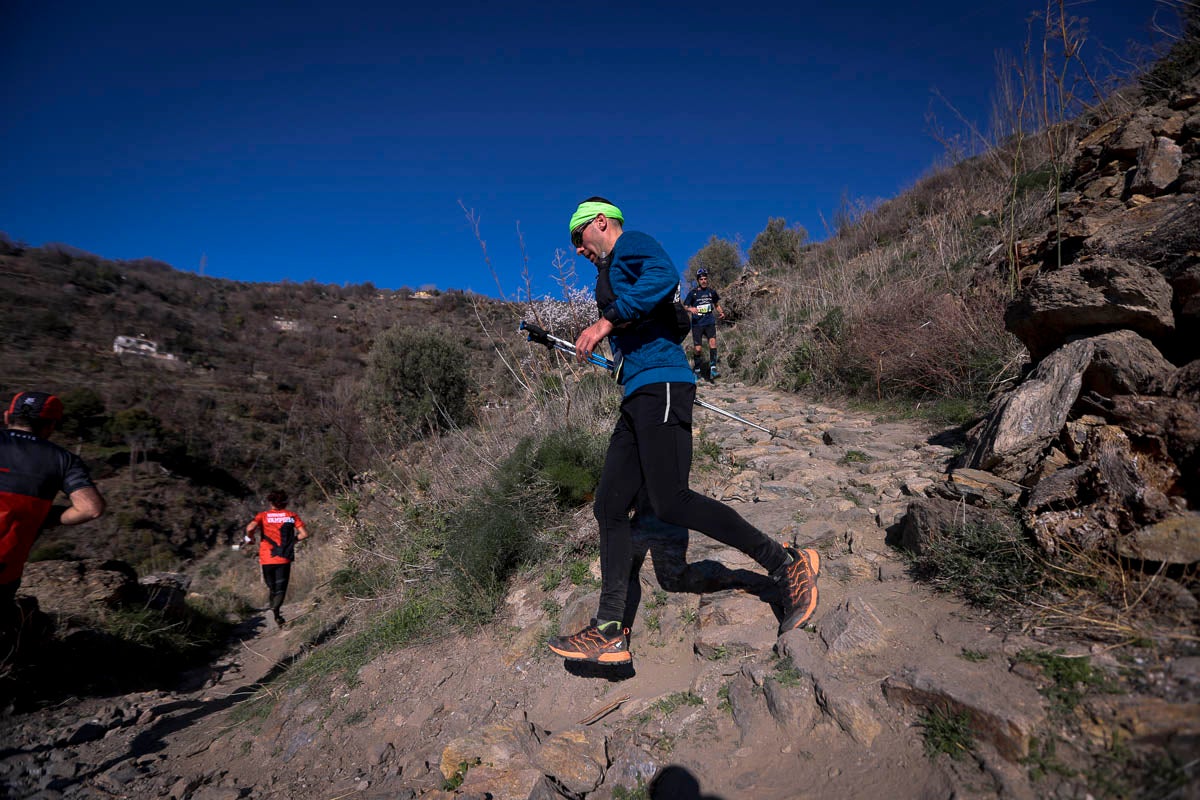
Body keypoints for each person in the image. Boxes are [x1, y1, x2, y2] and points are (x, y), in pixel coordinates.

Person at [548, 197, 819, 665]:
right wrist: (619, 355)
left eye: (578, 237)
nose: (577, 249)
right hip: (637, 391)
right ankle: (609, 629)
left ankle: (786, 563)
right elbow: (643, 322)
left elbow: (663, 275)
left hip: (664, 386)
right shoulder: (609, 271)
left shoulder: (631, 244)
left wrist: (604, 322)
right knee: (609, 503)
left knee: (671, 500)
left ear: (599, 223)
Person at [1, 392, 106, 625]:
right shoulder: (63, 460)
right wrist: (47, 516)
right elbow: (91, 508)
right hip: (5, 565)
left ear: (7, 416)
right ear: (51, 426)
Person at [243, 490, 309, 627]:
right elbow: (304, 534)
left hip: (267, 558)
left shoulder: (263, 516)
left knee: (272, 587)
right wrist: (291, 542)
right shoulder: (291, 516)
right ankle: (275, 611)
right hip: (284, 558)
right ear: (285, 502)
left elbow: (250, 528)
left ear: (271, 502)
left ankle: (274, 611)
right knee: (280, 588)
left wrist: (250, 539)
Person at [683, 267, 725, 379]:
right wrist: (690, 309)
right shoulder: (693, 293)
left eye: (705, 279)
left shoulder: (712, 292)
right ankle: (697, 370)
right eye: (701, 279)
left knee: (713, 343)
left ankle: (713, 369)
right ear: (698, 280)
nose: (703, 281)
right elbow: (685, 306)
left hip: (709, 322)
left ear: (707, 279)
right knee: (698, 349)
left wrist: (721, 312)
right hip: (697, 324)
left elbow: (716, 304)